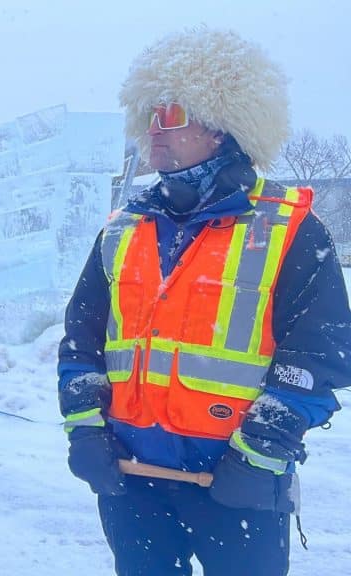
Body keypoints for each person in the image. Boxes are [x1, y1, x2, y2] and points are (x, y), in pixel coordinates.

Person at [58, 27, 351, 576]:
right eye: (147, 115)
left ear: (220, 126)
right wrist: (85, 428)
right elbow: (80, 344)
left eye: (169, 114)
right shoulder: (121, 231)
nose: (153, 130)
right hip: (131, 483)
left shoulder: (289, 230)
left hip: (238, 485)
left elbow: (320, 356)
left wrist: (260, 453)